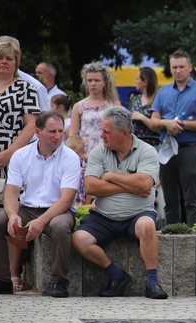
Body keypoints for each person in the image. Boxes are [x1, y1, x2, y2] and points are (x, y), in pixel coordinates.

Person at [71, 107, 168, 299]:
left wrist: (109, 176)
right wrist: (131, 185)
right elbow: (90, 186)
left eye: (107, 132)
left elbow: (145, 183)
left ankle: (152, 282)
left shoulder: (147, 151)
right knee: (79, 239)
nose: (102, 135)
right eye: (102, 130)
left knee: (147, 225)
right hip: (104, 217)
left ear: (124, 133)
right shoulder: (99, 151)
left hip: (138, 214)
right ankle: (117, 275)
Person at [0, 111, 80, 297]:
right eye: (52, 131)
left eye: (61, 131)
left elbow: (66, 199)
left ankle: (59, 280)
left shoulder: (70, 157)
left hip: (58, 210)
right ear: (37, 132)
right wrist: (13, 215)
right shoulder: (21, 155)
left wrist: (42, 220)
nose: (58, 136)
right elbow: (11, 193)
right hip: (27, 208)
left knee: (60, 227)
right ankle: (3, 279)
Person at [0, 38, 40, 292]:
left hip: (13, 159)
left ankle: (10, 273)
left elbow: (31, 125)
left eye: (8, 58)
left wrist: (11, 151)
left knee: (10, 217)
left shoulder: (26, 88)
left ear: (17, 61)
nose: (3, 62)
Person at [150, 49, 196, 227]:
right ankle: (172, 234)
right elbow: (153, 121)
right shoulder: (163, 92)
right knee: (170, 199)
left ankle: (195, 236)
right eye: (174, 67)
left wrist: (181, 124)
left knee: (191, 198)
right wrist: (165, 123)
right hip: (166, 147)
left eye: (181, 67)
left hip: (190, 147)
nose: (178, 71)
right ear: (170, 69)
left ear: (190, 67)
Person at [68, 61, 122, 205]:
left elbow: (122, 134)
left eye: (97, 80)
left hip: (109, 157)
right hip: (85, 158)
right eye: (89, 80)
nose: (93, 84)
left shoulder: (114, 105)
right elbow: (72, 138)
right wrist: (83, 156)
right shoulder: (79, 106)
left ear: (105, 83)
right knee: (84, 199)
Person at [0, 37, 49, 112]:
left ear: (19, 56)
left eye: (9, 58)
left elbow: (42, 119)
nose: (3, 62)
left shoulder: (34, 87)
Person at [129, 67, 160, 149]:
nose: (135, 81)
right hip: (135, 145)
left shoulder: (158, 99)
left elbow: (160, 128)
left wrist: (141, 117)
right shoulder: (135, 99)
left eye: (137, 79)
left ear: (145, 82)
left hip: (153, 145)